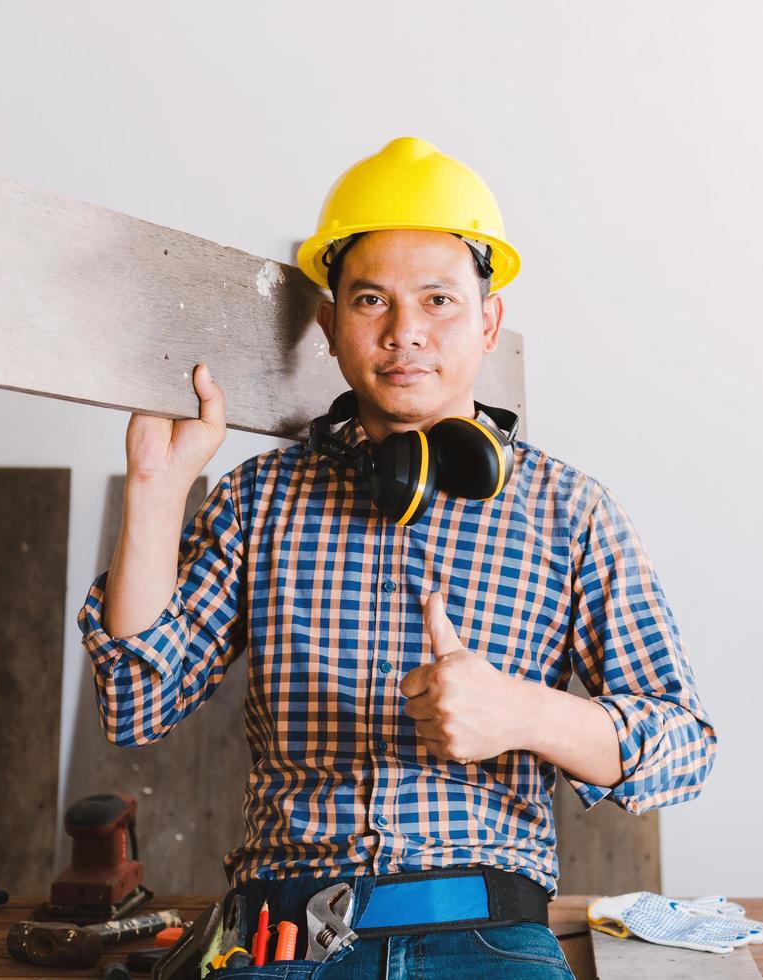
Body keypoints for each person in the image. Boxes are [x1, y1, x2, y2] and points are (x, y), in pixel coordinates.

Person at [78, 137, 717, 977]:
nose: (405, 332)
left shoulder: (571, 512)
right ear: (330, 327)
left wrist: (524, 715)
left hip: (488, 936)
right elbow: (136, 703)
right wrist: (159, 492)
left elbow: (684, 748)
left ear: (488, 322)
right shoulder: (257, 498)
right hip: (283, 937)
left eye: (439, 300)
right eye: (371, 300)